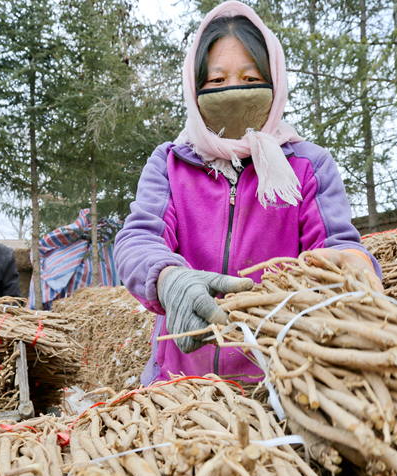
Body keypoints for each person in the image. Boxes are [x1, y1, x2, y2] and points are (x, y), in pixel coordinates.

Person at [114, 1, 382, 386]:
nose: (234, 92)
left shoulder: (307, 165)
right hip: (180, 387)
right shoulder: (170, 164)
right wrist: (168, 278)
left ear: (274, 81)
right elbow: (138, 238)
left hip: (283, 385)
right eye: (218, 82)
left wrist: (352, 266)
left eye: (250, 78)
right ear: (195, 87)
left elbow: (336, 242)